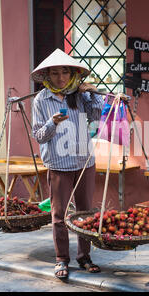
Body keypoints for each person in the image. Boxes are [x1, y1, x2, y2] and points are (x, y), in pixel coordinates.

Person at [31, 49, 104, 279]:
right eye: (54, 73)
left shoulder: (80, 96)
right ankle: (62, 258)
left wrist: (92, 93)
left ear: (72, 74)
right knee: (59, 215)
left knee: (85, 213)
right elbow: (39, 135)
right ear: (47, 76)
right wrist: (52, 123)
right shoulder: (41, 100)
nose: (60, 77)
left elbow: (96, 115)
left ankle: (84, 257)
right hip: (59, 164)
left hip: (84, 162)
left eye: (65, 72)